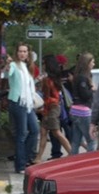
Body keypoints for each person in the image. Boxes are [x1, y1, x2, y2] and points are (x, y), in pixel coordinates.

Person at [4, 42, 39, 174]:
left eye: (25, 51)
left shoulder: (28, 67)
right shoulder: (13, 65)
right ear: (16, 53)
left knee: (35, 130)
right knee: (22, 134)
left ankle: (25, 158)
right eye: (20, 51)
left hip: (28, 103)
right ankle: (20, 165)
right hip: (18, 101)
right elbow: (8, 74)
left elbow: (29, 85)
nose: (22, 54)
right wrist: (7, 65)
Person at [32, 55, 71, 164]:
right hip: (53, 107)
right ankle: (38, 157)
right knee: (44, 131)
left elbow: (45, 95)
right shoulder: (55, 78)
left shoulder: (47, 80)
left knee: (56, 132)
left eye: (44, 63)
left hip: (51, 108)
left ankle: (72, 153)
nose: (43, 66)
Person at [70, 52, 96, 155]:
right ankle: (90, 162)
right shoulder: (83, 78)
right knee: (91, 140)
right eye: (92, 62)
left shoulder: (77, 76)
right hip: (83, 112)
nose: (94, 64)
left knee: (76, 141)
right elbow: (85, 95)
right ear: (87, 63)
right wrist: (92, 89)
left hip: (74, 111)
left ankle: (72, 161)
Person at [49, 53, 72, 160]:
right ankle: (71, 151)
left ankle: (57, 153)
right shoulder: (67, 74)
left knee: (56, 131)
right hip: (65, 105)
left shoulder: (53, 76)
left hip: (60, 105)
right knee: (63, 130)